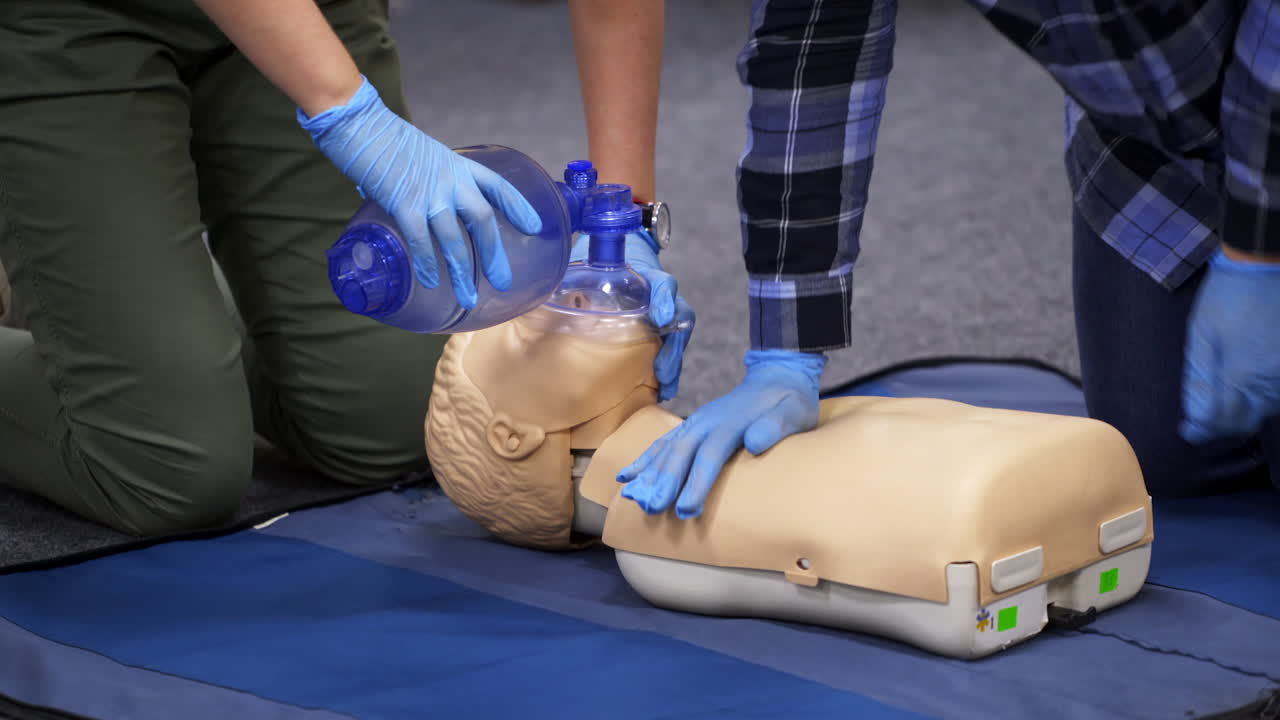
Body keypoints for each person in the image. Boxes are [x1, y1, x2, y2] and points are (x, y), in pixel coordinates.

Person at [0, 0, 686, 536]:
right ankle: (91, 297)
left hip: (307, 14)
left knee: (385, 422)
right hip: (63, 21)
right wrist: (350, 115)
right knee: (165, 467)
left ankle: (103, 299)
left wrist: (624, 214)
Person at [620, 0, 1280, 519]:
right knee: (1160, 460)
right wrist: (785, 350)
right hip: (1147, 137)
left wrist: (1259, 245)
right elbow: (813, 37)